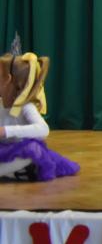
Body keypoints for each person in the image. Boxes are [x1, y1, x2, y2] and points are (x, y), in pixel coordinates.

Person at [0, 35, 79, 181]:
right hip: (2, 150)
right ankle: (16, 172)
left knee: (32, 150)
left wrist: (6, 131)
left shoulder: (26, 107)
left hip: (20, 152)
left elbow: (43, 130)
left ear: (7, 80)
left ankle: (20, 170)